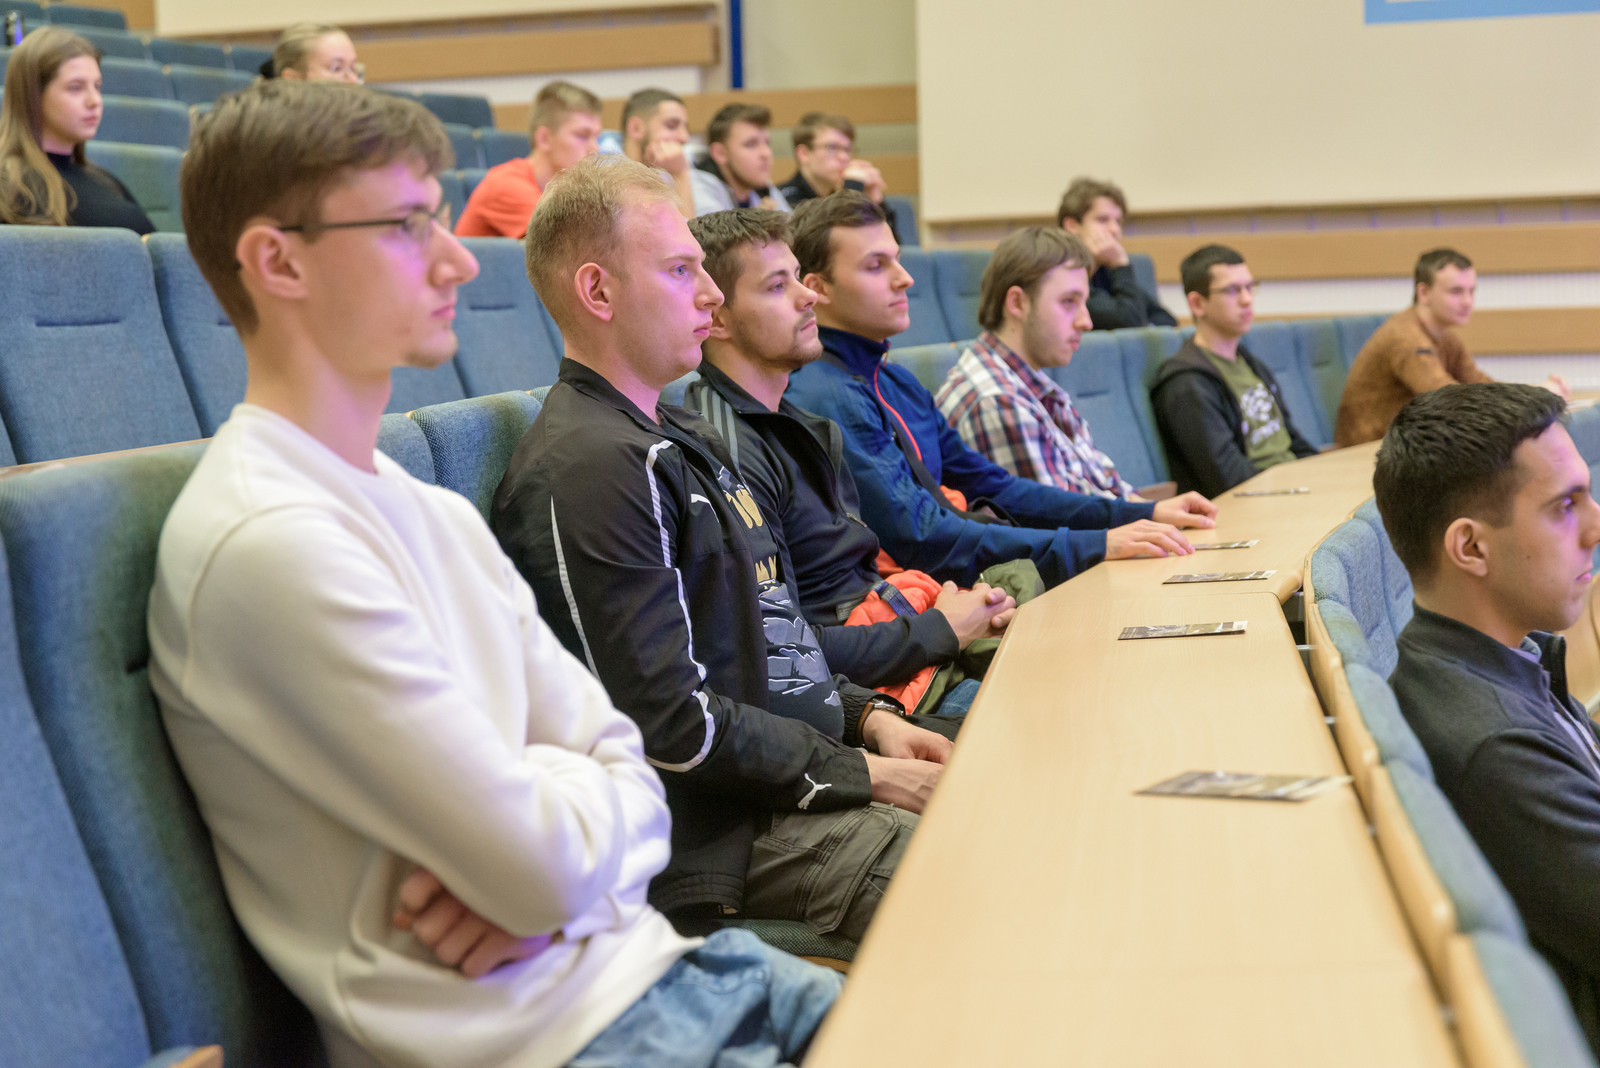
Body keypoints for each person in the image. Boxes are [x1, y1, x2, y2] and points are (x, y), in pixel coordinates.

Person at [149, 80, 841, 1068]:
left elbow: (628, 777)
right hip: (557, 1040)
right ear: (278, 261)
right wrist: (553, 836)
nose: (460, 258)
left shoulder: (428, 510)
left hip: (672, 970)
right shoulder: (269, 542)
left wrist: (553, 844)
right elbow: (543, 856)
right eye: (406, 226)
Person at [492, 156, 955, 947]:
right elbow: (670, 728)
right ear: (598, 292)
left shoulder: (682, 433)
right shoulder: (590, 468)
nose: (710, 293)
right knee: (989, 864)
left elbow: (766, 636)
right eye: (681, 271)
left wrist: (868, 718)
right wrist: (864, 772)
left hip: (794, 780)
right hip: (727, 838)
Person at [783, 191, 1217, 589]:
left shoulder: (897, 382)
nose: (905, 279)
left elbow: (997, 487)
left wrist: (1140, 513)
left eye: (897, 259)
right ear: (818, 289)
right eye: (876, 266)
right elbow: (923, 536)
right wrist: (1097, 543)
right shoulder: (827, 395)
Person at [682, 207, 1015, 708]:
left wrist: (953, 613)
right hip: (864, 696)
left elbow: (856, 584)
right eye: (777, 286)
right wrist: (942, 629)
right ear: (717, 318)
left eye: (798, 277)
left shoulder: (799, 421)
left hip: (896, 648)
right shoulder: (727, 451)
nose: (808, 296)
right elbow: (781, 649)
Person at [1376, 382, 1600, 1056]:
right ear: (1471, 549)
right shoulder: (1495, 743)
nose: (1594, 526)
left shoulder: (1492, 663)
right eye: (1565, 506)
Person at [937, 226, 1145, 499]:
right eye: (1069, 302)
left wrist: (1160, 513)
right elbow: (1066, 517)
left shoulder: (1034, 386)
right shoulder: (996, 400)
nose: (1086, 321)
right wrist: (1152, 515)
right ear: (1017, 303)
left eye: (1084, 302)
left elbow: (1107, 488)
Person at [1335, 248, 1569, 447]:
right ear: (1424, 293)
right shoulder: (1405, 337)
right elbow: (1448, 399)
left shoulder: (1447, 339)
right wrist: (1534, 397)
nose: (1467, 301)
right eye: (1456, 292)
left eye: (1471, 291)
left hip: (1403, 446)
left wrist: (1532, 395)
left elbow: (1480, 385)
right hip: (1366, 451)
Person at [1149, 244, 1317, 496]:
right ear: (1197, 303)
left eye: (1249, 287)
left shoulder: (1251, 364)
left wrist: (1323, 475)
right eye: (1232, 290)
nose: (1247, 299)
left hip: (1292, 489)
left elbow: (1292, 441)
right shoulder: (1186, 383)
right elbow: (1229, 478)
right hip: (1256, 500)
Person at [0, 26, 153, 234]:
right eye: (76, 88)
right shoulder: (9, 186)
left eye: (97, 86)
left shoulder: (105, 180)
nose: (94, 101)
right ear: (33, 96)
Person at [455, 80, 601, 238]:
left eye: (596, 137)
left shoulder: (569, 193)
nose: (594, 148)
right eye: (582, 136)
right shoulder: (507, 185)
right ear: (544, 139)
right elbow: (572, 243)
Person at [1056, 177, 1175, 330]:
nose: (1115, 229)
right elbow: (1129, 320)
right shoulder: (1061, 273)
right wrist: (1120, 265)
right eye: (1102, 219)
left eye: (1118, 221)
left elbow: (1166, 320)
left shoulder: (1107, 268)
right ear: (1072, 226)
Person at [778, 111, 901, 242]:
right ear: (804, 154)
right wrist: (852, 189)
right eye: (832, 147)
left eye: (847, 149)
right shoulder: (783, 198)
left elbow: (891, 247)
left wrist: (876, 204)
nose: (844, 157)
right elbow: (826, 246)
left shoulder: (839, 194)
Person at [690, 102, 790, 215]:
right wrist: (757, 220)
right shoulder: (699, 187)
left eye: (767, 143)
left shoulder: (761, 186)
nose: (766, 153)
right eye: (751, 144)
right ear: (720, 153)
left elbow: (792, 224)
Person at [620, 87, 694, 217]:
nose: (684, 137)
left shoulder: (701, 179)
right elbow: (686, 230)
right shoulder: (604, 180)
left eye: (685, 128)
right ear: (636, 128)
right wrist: (680, 175)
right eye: (671, 126)